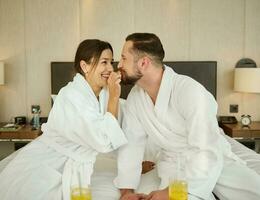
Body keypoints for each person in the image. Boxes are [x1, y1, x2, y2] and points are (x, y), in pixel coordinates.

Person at [114, 33, 260, 200]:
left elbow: (205, 150)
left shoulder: (190, 91)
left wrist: (170, 192)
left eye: (124, 58)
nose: (119, 64)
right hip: (172, 165)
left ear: (143, 63)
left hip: (211, 160)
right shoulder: (135, 98)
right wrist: (127, 191)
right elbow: (132, 144)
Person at [0, 39, 127, 200]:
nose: (110, 68)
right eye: (104, 62)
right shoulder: (70, 96)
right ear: (85, 66)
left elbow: (115, 136)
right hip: (49, 162)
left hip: (76, 162)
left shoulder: (104, 96)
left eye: (111, 62)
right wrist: (115, 96)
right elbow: (102, 140)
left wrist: (129, 165)